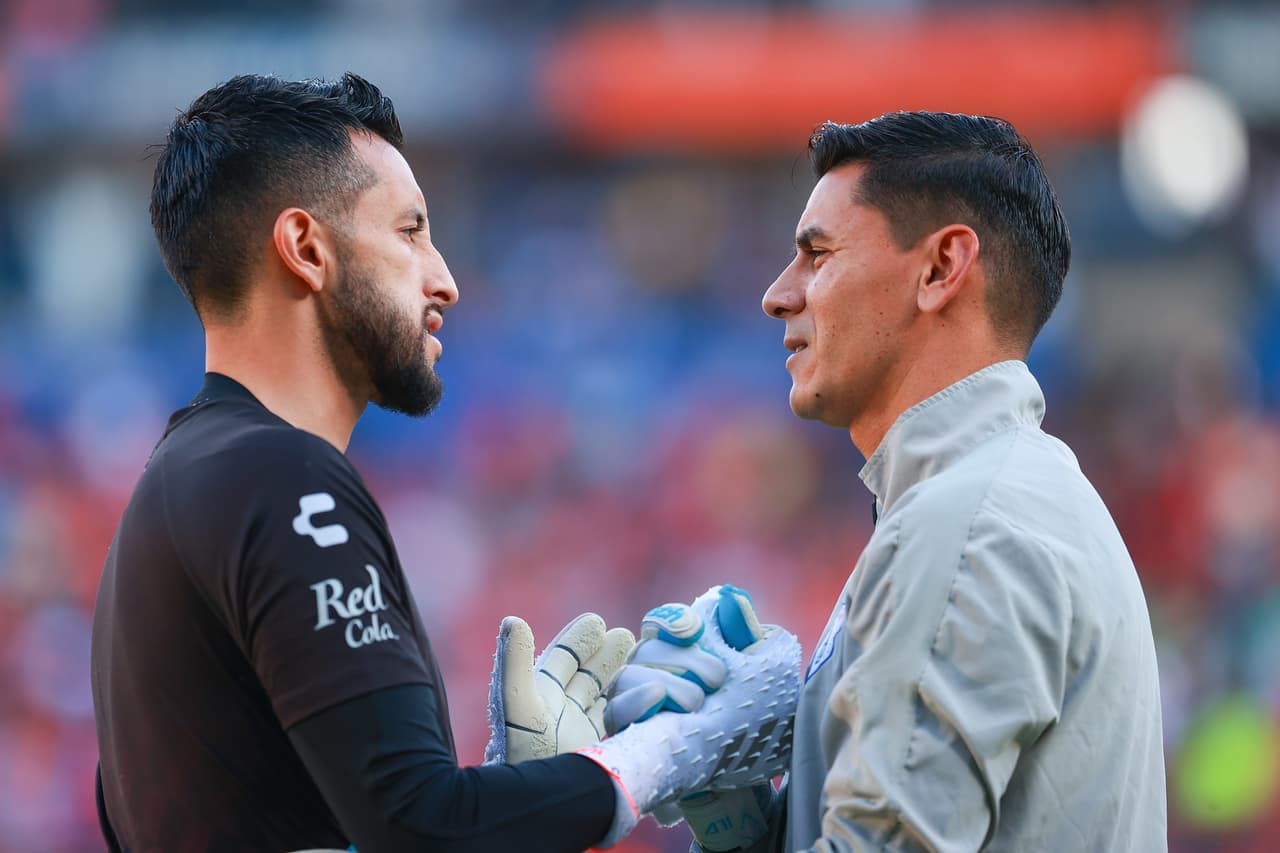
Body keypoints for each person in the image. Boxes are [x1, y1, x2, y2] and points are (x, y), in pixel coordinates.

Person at [89, 72, 800, 853]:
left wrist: (527, 786)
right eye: (409, 231)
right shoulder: (281, 477)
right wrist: (668, 752)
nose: (446, 279)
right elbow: (418, 825)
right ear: (304, 248)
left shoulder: (175, 487)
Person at [611, 112, 1168, 851]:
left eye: (817, 254)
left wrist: (564, 803)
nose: (779, 294)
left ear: (941, 269)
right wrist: (737, 814)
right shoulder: (985, 500)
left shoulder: (967, 528)